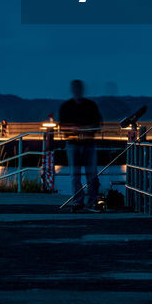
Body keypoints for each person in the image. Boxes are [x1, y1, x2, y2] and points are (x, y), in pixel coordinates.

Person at [57, 79, 103, 211]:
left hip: (87, 144)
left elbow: (98, 123)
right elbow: (62, 126)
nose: (77, 91)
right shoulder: (67, 107)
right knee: (75, 175)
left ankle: (91, 200)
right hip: (74, 144)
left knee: (91, 174)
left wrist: (81, 129)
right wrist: (77, 128)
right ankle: (78, 201)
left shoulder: (90, 105)